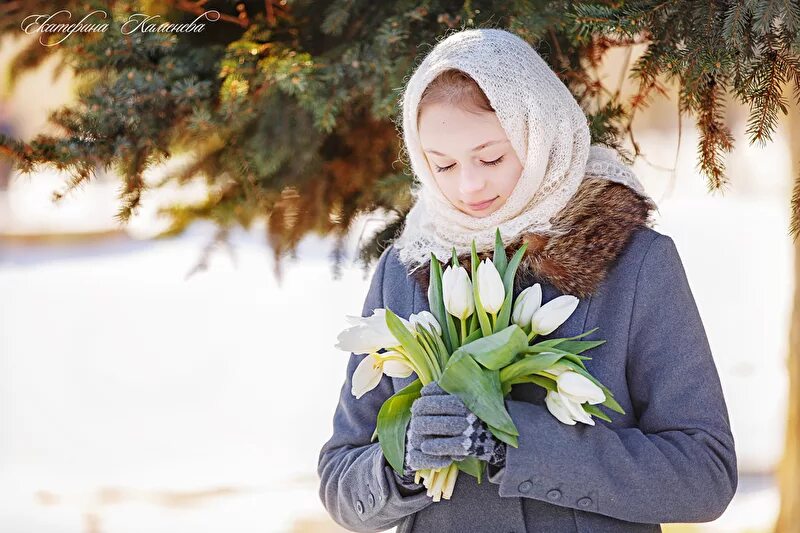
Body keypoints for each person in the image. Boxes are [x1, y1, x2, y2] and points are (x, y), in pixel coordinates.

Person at [318, 28, 737, 533]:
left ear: (538, 135)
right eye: (442, 164)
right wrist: (401, 459)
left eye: (491, 157)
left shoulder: (635, 263)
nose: (468, 185)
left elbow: (704, 474)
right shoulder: (405, 268)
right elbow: (340, 479)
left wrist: (512, 440)